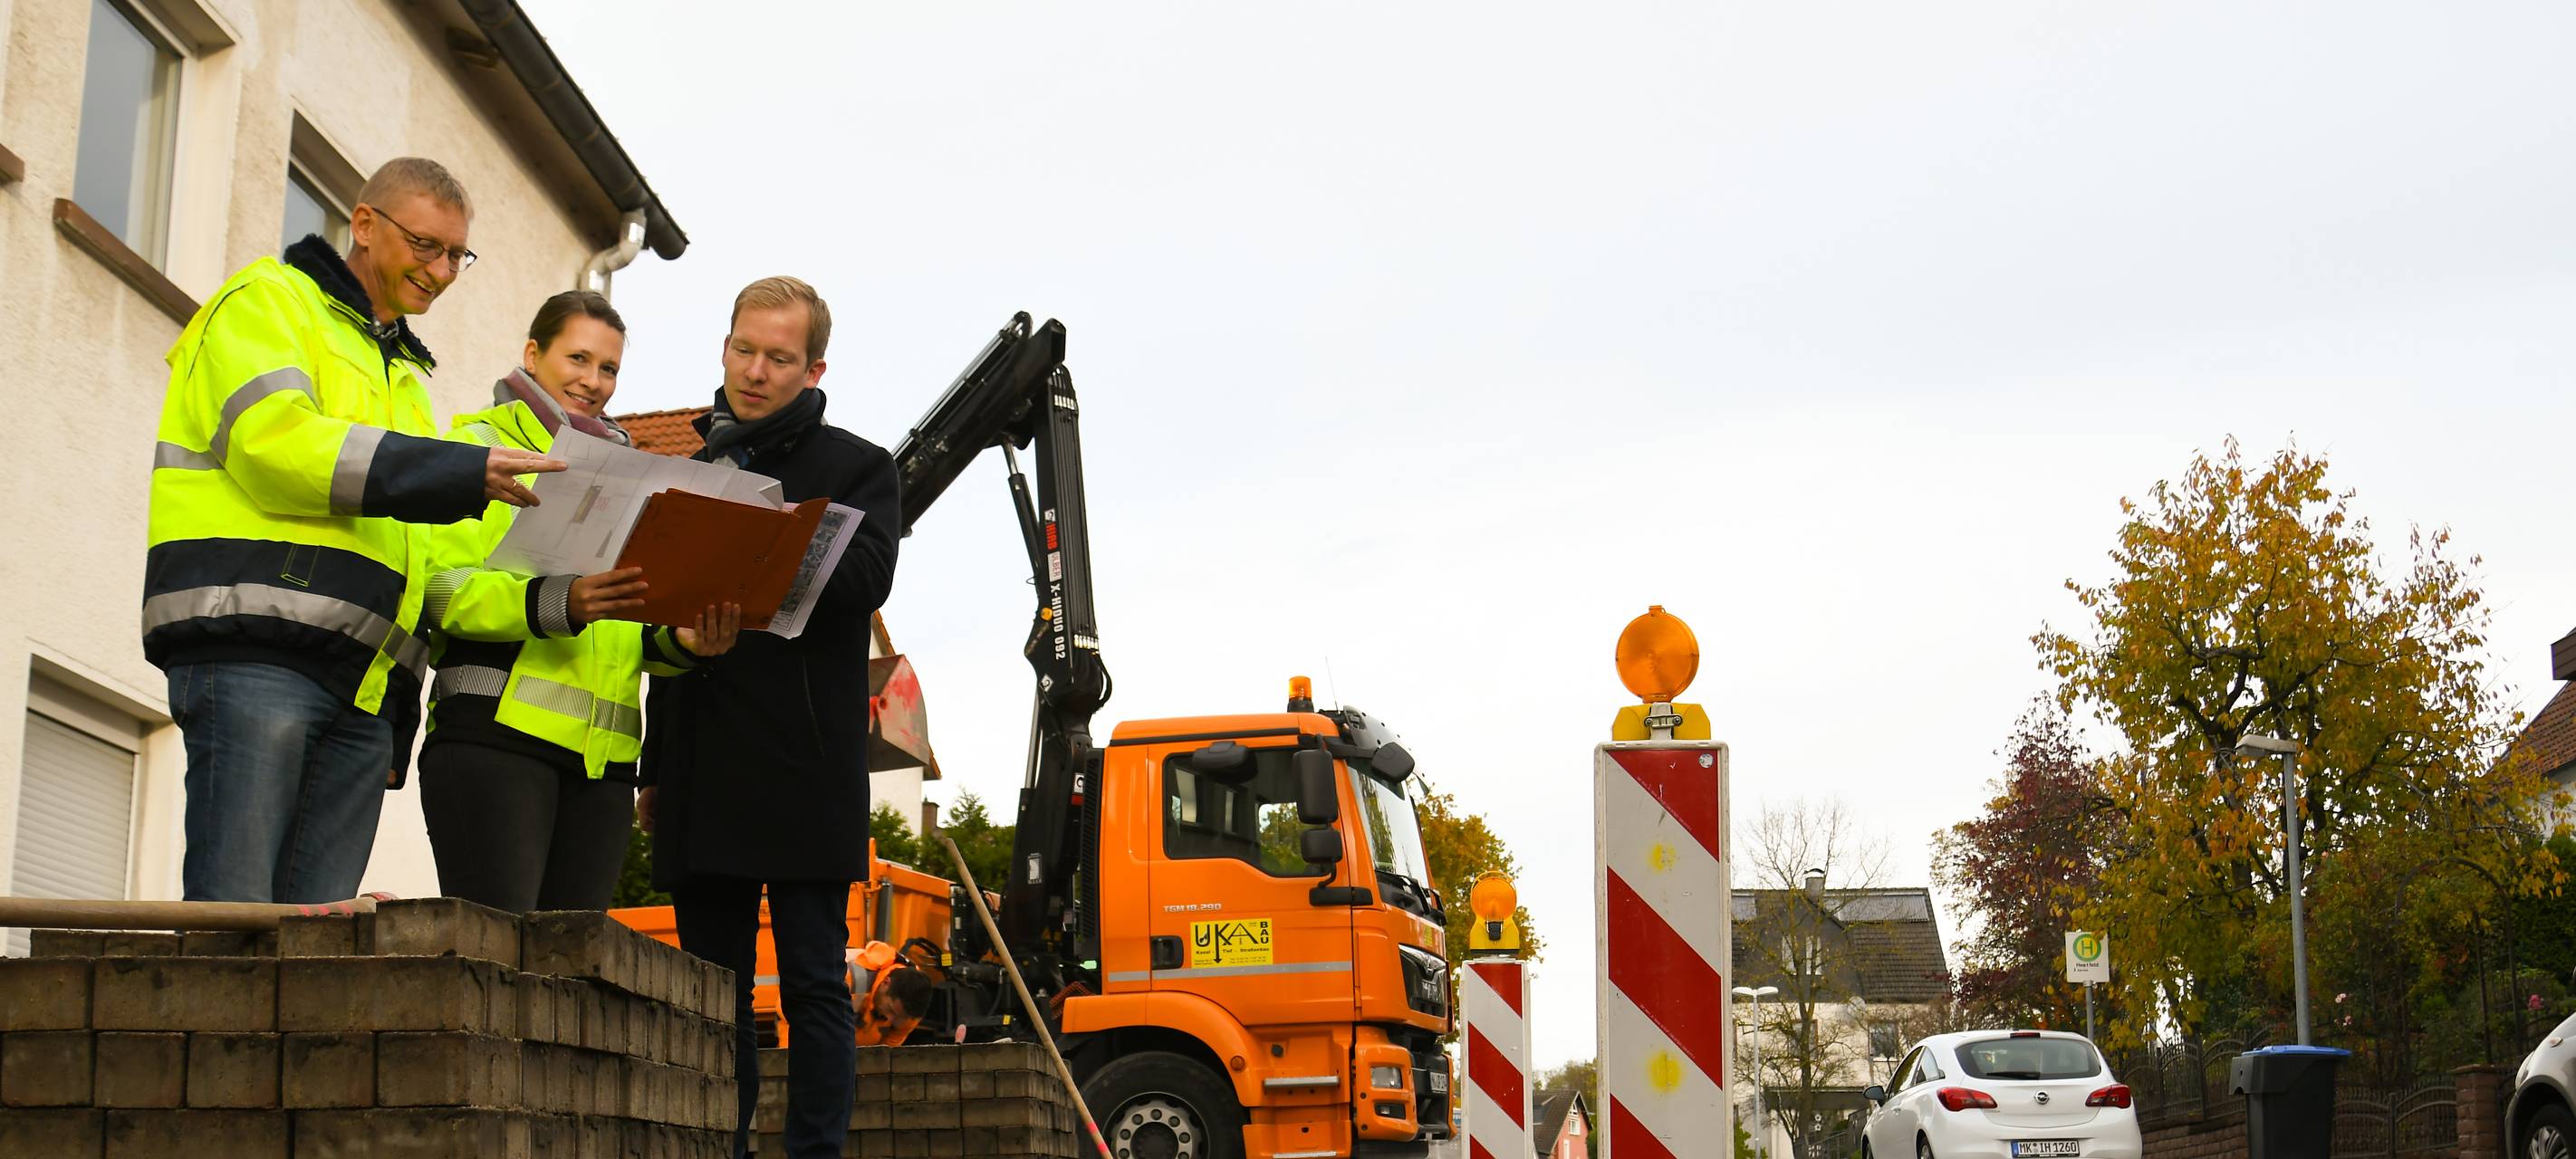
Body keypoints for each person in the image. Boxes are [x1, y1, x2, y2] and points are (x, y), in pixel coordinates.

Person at [145, 157, 562, 904]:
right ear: (364, 224)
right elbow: (276, 446)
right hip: (257, 650)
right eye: (425, 245)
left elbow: (406, 556)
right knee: (236, 924)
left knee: (319, 951)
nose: (441, 271)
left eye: (457, 256)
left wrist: (397, 706)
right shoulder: (267, 300)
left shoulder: (402, 371)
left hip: (361, 688)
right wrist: (455, 471)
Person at [638, 276, 901, 1159]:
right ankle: (726, 1148)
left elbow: (866, 578)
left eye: (778, 357)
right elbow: (657, 623)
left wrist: (759, 533)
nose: (755, 371)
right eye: (743, 349)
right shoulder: (683, 468)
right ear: (725, 347)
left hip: (806, 768)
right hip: (701, 765)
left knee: (815, 985)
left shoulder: (859, 467)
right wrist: (653, 770)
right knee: (712, 995)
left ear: (813, 369)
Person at [415, 291, 743, 913]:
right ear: (532, 354)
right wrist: (561, 601)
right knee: (497, 959)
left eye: (609, 368)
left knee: (568, 968)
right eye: (578, 359)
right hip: (493, 742)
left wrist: (680, 641)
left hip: (603, 769)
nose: (594, 381)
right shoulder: (475, 451)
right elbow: (438, 591)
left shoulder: (631, 476)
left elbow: (620, 620)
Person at [844, 941, 933, 1048]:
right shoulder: (846, 978)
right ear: (886, 982)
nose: (890, 1019)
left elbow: (887, 1053)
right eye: (891, 1010)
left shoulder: (909, 1010)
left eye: (898, 1017)